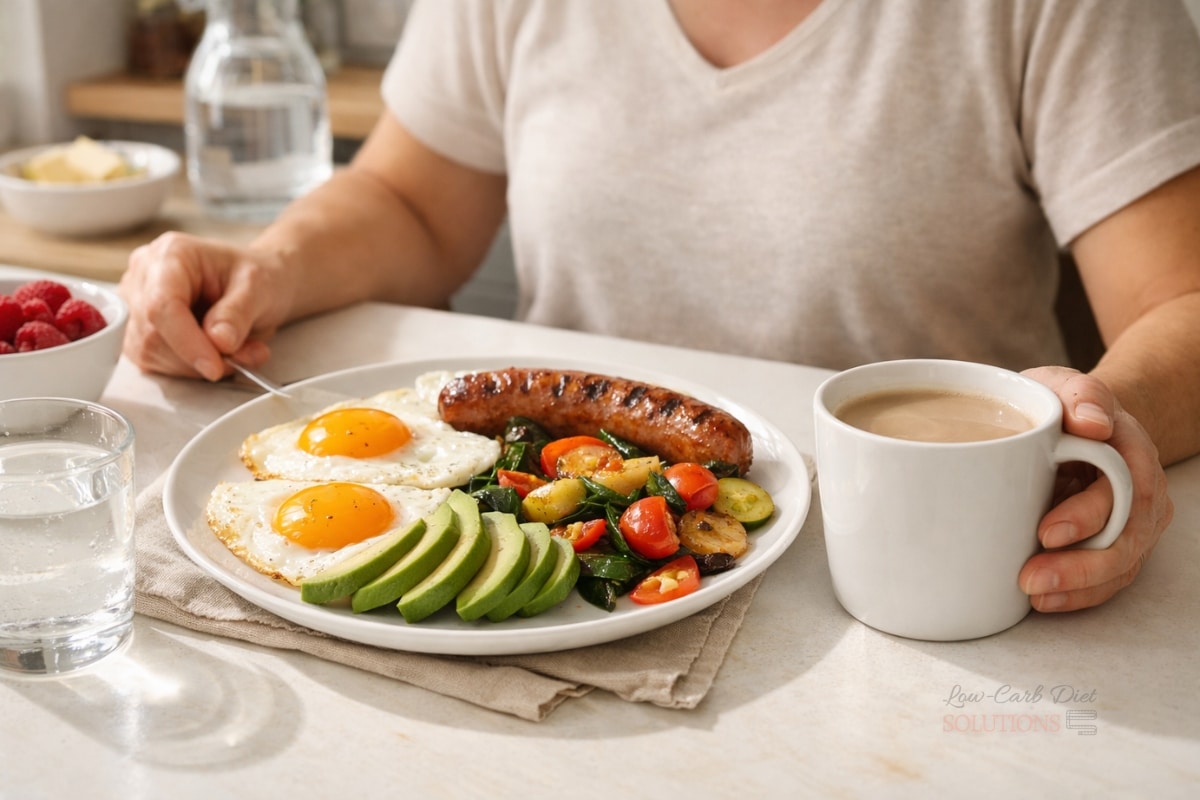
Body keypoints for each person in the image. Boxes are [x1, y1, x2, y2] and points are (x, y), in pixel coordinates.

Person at [120, 0, 1200, 614]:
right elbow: (410, 200)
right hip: (582, 585)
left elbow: (1182, 300)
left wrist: (1111, 415)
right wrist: (269, 263)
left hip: (931, 574)